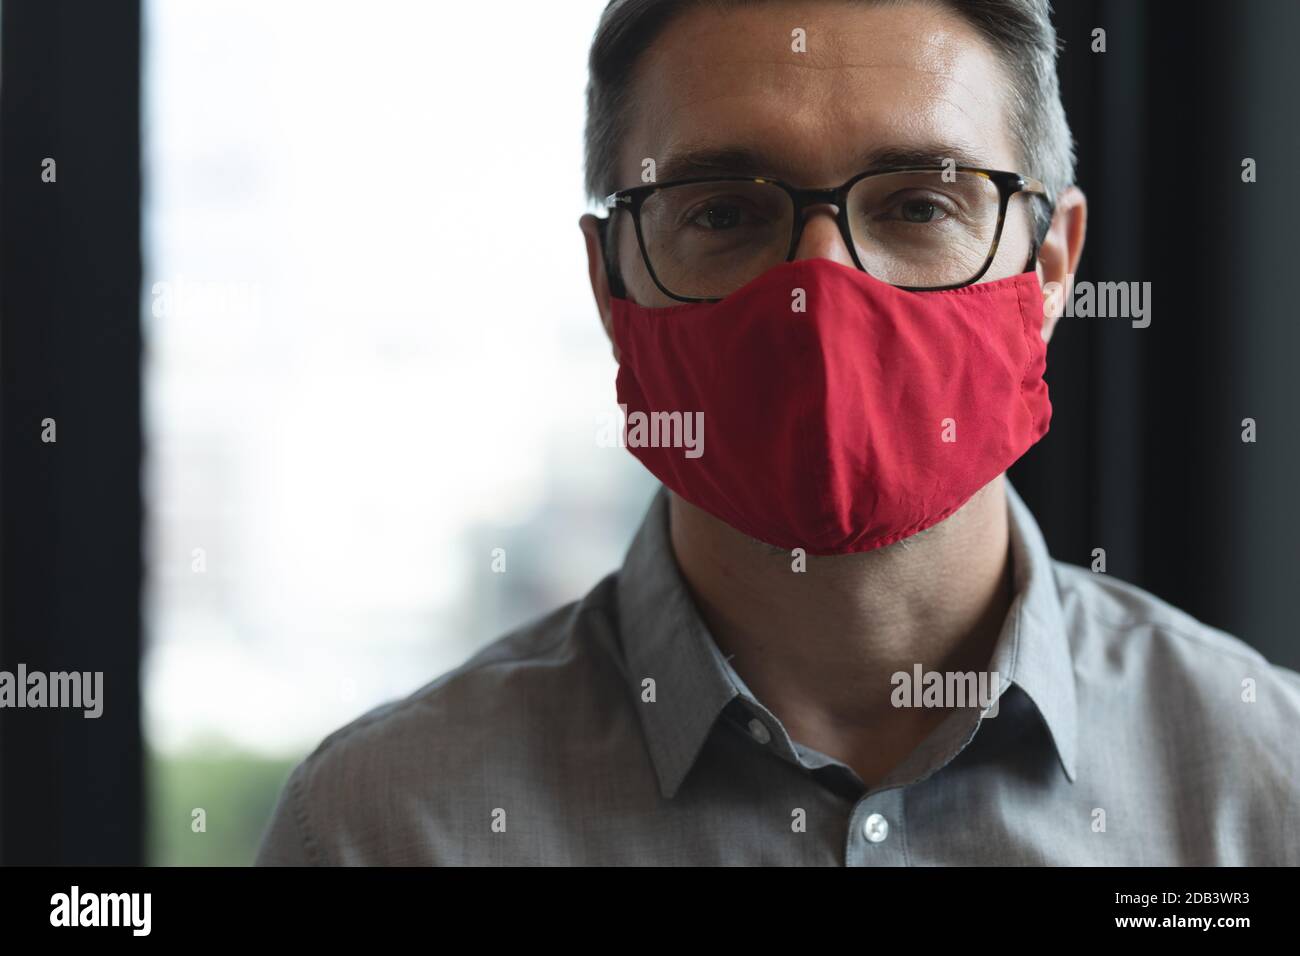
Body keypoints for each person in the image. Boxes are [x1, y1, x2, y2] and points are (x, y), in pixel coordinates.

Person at [256, 0, 1300, 866]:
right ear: (610, 283)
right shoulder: (380, 829)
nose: (822, 292)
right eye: (722, 212)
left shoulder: (1266, 791)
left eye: (920, 206)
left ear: (1051, 269)